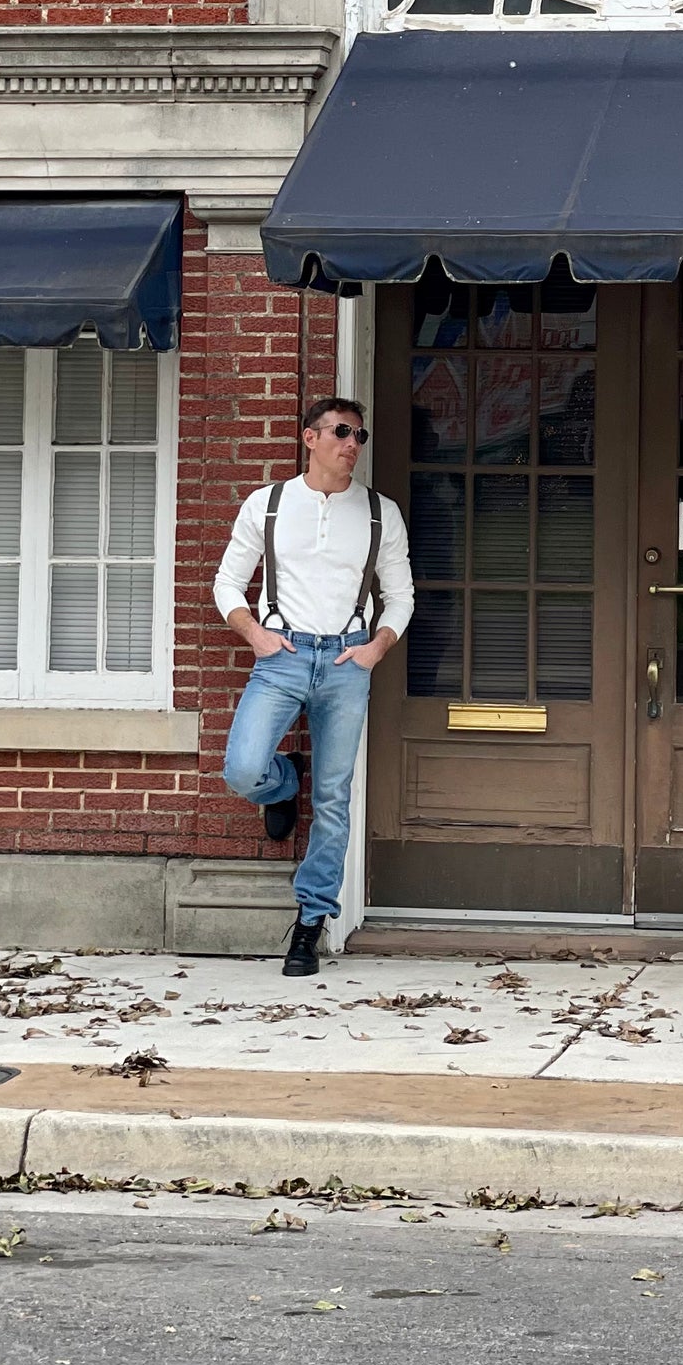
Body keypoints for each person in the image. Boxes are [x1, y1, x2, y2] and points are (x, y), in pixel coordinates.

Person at [213, 395, 413, 977]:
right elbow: (228, 582)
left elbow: (400, 595)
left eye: (360, 436)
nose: (352, 444)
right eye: (341, 432)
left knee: (333, 795)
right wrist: (254, 634)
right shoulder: (269, 504)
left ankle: (310, 920)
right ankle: (280, 786)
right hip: (283, 654)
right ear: (309, 438)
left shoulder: (380, 513)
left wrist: (375, 648)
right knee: (243, 768)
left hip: (347, 660)